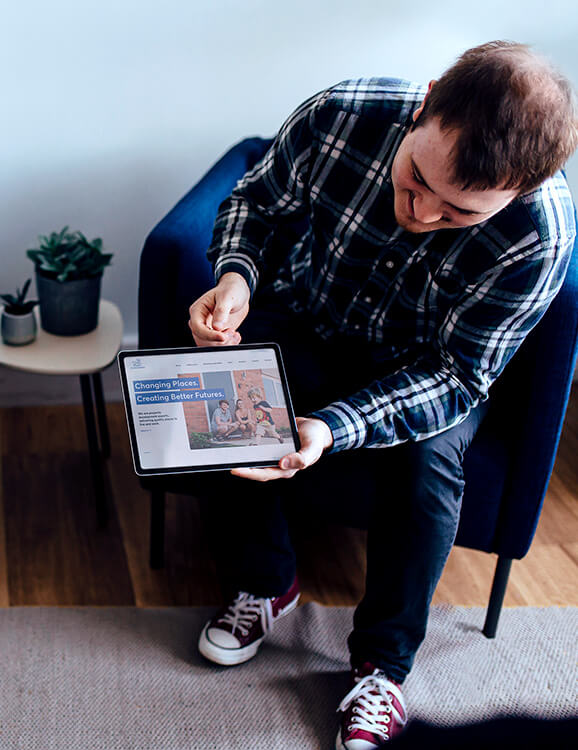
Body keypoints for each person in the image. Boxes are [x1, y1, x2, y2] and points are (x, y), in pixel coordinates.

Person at [187, 42, 577, 748]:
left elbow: (459, 376)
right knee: (232, 386)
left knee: (430, 468)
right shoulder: (341, 112)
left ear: (516, 193)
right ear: (426, 103)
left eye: (457, 213)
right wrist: (237, 278)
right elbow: (257, 204)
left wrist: (332, 428)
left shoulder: (539, 237)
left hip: (423, 368)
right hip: (308, 313)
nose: (422, 213)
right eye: (415, 178)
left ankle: (383, 667)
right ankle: (266, 581)